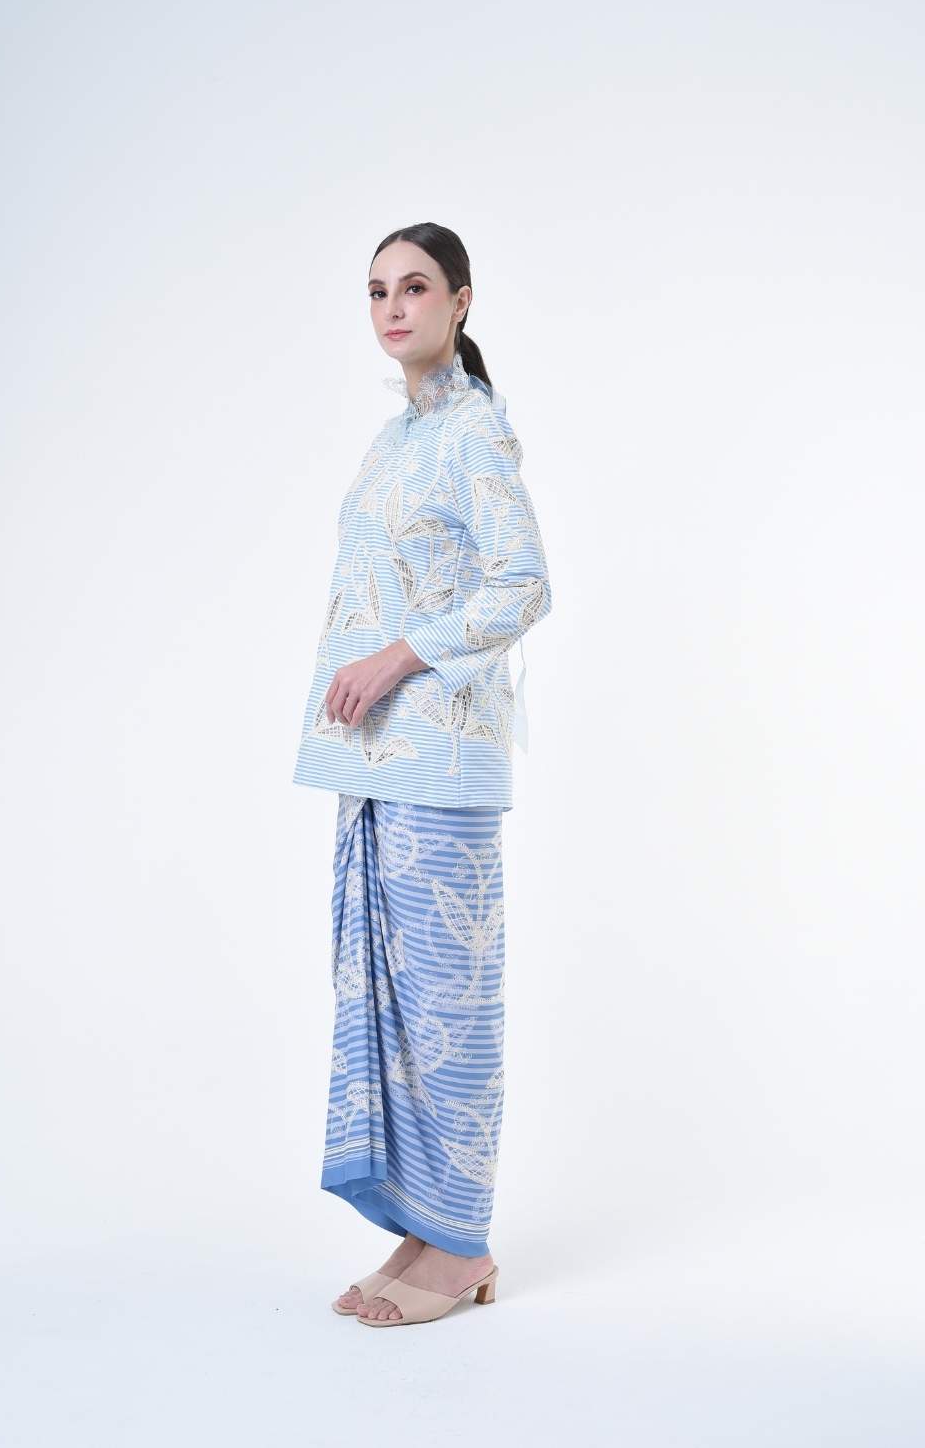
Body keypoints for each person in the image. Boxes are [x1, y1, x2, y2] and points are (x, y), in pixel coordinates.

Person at [291, 221, 553, 1328]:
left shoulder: (474, 431)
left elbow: (523, 585)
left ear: (460, 301)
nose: (393, 307)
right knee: (393, 1003)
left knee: (449, 1003)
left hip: (441, 758)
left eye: (414, 287)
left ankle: (464, 1243)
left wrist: (396, 658)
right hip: (375, 760)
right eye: (376, 291)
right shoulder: (395, 440)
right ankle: (425, 1226)